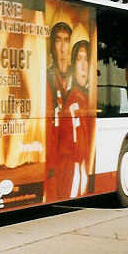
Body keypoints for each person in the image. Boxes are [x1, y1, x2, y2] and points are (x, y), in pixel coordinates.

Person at [44, 21, 72, 202]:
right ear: (52, 46)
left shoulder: (77, 79)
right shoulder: (47, 78)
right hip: (53, 160)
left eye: (66, 41)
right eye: (58, 41)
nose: (62, 47)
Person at [65, 37, 95, 198]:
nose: (83, 66)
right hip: (77, 162)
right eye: (79, 59)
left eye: (87, 59)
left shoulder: (87, 98)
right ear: (73, 65)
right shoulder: (73, 100)